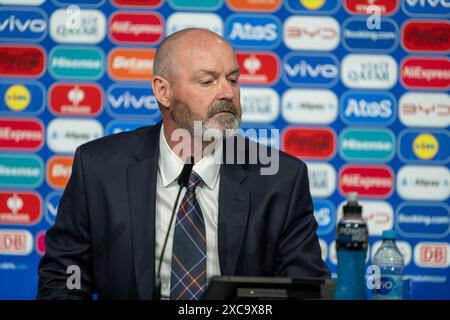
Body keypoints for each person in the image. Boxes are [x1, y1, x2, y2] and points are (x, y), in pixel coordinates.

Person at [37, 28, 329, 300]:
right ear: (163, 91)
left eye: (233, 79)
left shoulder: (280, 178)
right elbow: (64, 274)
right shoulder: (99, 168)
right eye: (207, 81)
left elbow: (304, 288)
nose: (227, 92)